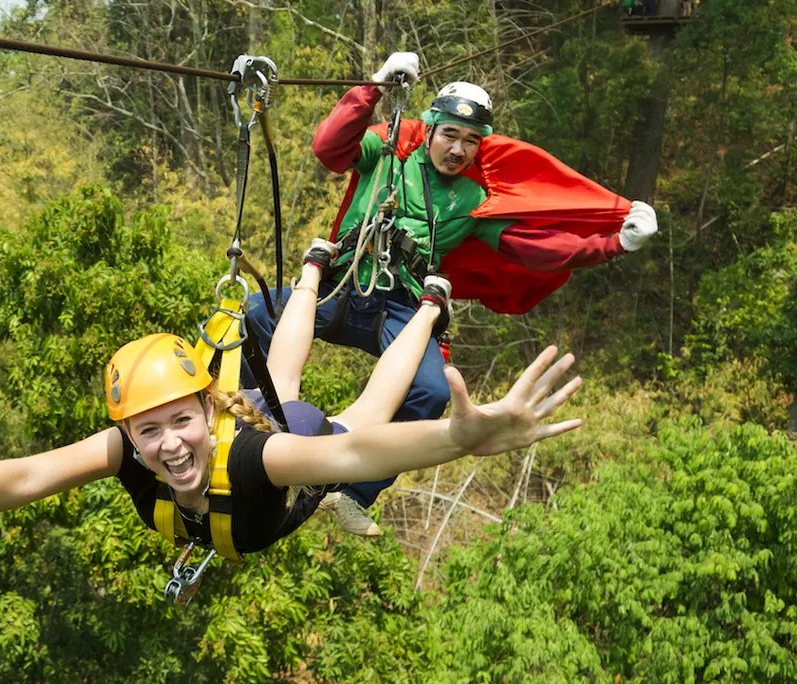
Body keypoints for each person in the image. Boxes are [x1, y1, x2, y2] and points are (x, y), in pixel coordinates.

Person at [0, 245, 583, 566]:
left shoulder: (258, 454)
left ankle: (433, 307)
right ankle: (308, 271)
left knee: (360, 410)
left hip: (284, 455)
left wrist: (455, 439)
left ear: (207, 409)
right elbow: (23, 476)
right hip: (255, 431)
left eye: (179, 422)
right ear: (126, 430)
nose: (166, 447)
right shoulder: (130, 449)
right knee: (287, 383)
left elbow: (351, 458)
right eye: (146, 431)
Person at [244, 52, 658, 536]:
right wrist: (375, 86)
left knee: (432, 389)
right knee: (254, 314)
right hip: (347, 283)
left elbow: (534, 249)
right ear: (431, 129)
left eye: (471, 142)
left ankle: (350, 492)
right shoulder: (387, 148)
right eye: (450, 135)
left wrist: (613, 243)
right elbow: (329, 147)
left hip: (400, 307)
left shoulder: (473, 201)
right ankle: (251, 419)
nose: (459, 149)